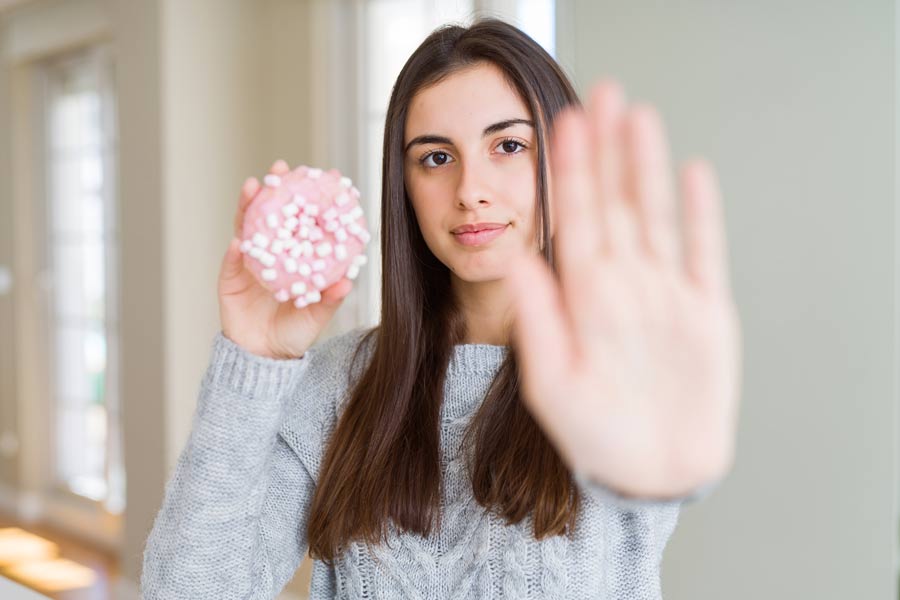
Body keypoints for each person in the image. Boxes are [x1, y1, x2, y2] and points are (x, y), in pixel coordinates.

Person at [140, 17, 741, 600]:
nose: (470, 190)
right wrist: (253, 360)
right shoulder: (336, 385)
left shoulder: (612, 370)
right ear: (403, 185)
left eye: (508, 145)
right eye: (435, 157)